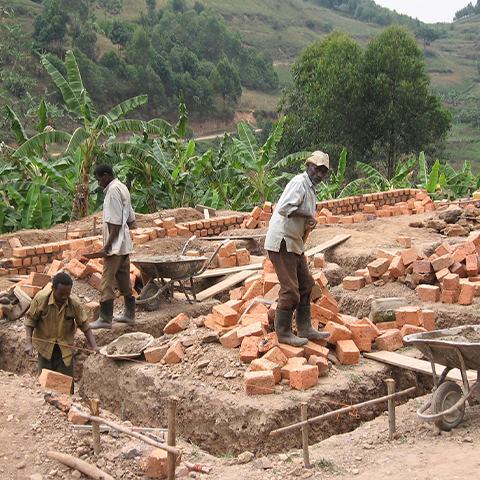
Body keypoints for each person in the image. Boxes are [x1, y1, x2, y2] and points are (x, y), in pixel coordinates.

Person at [264, 151, 331, 346]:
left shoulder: (311, 188)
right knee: (290, 289)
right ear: (308, 166)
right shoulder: (299, 183)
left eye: (323, 172)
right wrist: (309, 216)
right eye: (317, 169)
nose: (319, 174)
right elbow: (284, 208)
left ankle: (304, 327)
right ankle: (283, 332)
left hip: (295, 242)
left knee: (306, 284)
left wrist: (307, 219)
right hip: (282, 241)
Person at [25, 272, 100, 391]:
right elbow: (30, 321)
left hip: (64, 349)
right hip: (45, 347)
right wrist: (29, 343)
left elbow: (84, 325)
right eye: (61, 294)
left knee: (65, 385)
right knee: (45, 384)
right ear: (53, 289)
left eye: (67, 294)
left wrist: (94, 346)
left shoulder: (74, 303)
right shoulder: (41, 299)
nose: (64, 297)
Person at [90, 163, 136, 329]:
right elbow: (131, 219)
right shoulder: (123, 188)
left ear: (106, 176)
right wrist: (124, 236)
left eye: (99, 179)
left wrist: (107, 246)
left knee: (107, 280)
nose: (99, 183)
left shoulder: (112, 191)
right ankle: (129, 315)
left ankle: (105, 318)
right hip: (123, 244)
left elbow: (115, 222)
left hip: (115, 246)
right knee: (123, 277)